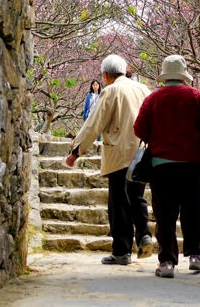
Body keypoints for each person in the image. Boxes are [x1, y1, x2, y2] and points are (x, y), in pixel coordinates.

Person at [133, 55, 200, 279]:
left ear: (165, 76)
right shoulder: (195, 96)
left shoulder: (153, 98)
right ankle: (196, 256)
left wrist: (155, 136)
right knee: (192, 209)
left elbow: (139, 128)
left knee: (165, 212)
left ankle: (166, 262)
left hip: (161, 164)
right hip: (191, 163)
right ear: (184, 76)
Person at [65, 54, 155, 265]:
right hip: (142, 152)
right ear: (125, 70)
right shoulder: (143, 89)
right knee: (136, 196)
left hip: (118, 154)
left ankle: (122, 251)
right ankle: (143, 234)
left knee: (118, 203)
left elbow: (94, 123)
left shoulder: (111, 90)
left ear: (106, 75)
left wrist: (76, 151)